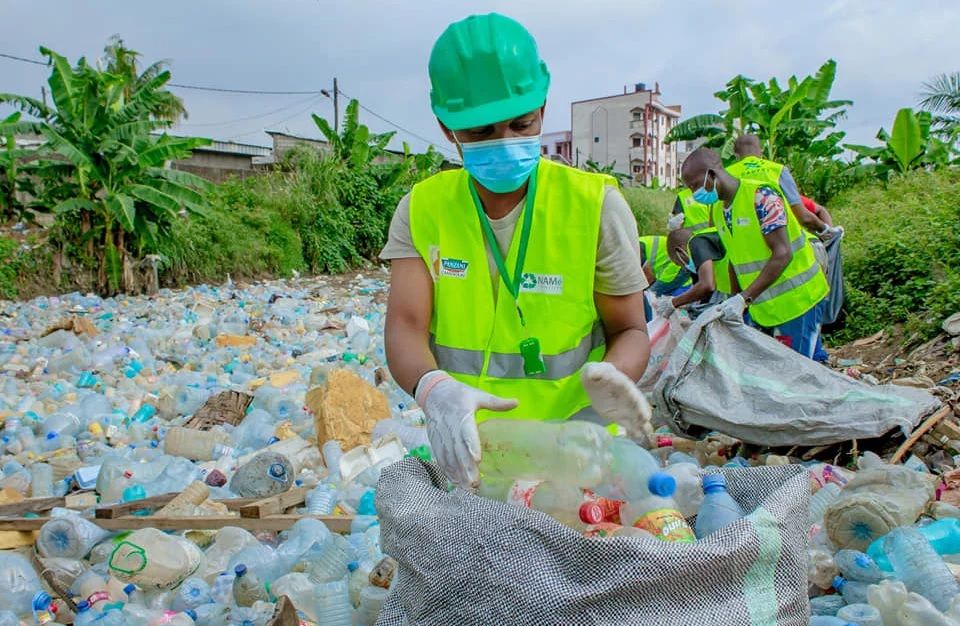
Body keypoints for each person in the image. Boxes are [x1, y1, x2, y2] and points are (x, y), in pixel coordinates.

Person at [380, 13, 652, 489]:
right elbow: (405, 326)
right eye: (481, 133)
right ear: (448, 129)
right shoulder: (423, 209)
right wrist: (433, 388)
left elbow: (630, 328)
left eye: (520, 124)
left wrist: (614, 378)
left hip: (577, 456)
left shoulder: (594, 206)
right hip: (473, 457)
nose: (504, 143)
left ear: (543, 109)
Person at [680, 148, 829, 359]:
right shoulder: (720, 211)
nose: (695, 194)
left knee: (796, 373)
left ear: (712, 174)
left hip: (798, 300)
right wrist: (732, 300)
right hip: (764, 306)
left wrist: (743, 298)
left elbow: (782, 253)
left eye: (695, 185)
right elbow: (736, 259)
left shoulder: (762, 196)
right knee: (774, 371)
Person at [729, 135, 842, 241]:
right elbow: (804, 217)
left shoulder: (725, 175)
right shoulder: (778, 170)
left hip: (742, 251)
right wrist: (826, 230)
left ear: (736, 155)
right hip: (785, 248)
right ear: (762, 152)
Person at [654, 227, 727, 319]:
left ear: (679, 251)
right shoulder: (708, 247)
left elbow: (707, 286)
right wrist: (686, 305)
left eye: (678, 263)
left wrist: (673, 303)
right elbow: (703, 294)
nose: (684, 268)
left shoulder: (697, 243)